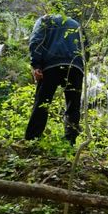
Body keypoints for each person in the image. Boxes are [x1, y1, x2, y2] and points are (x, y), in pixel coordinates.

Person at [24, 14, 87, 144]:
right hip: (75, 66)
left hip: (51, 65)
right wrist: (82, 66)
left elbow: (36, 40)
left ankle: (32, 139)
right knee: (73, 105)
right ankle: (70, 141)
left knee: (42, 102)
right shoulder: (76, 24)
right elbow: (85, 47)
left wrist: (36, 64)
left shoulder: (45, 19)